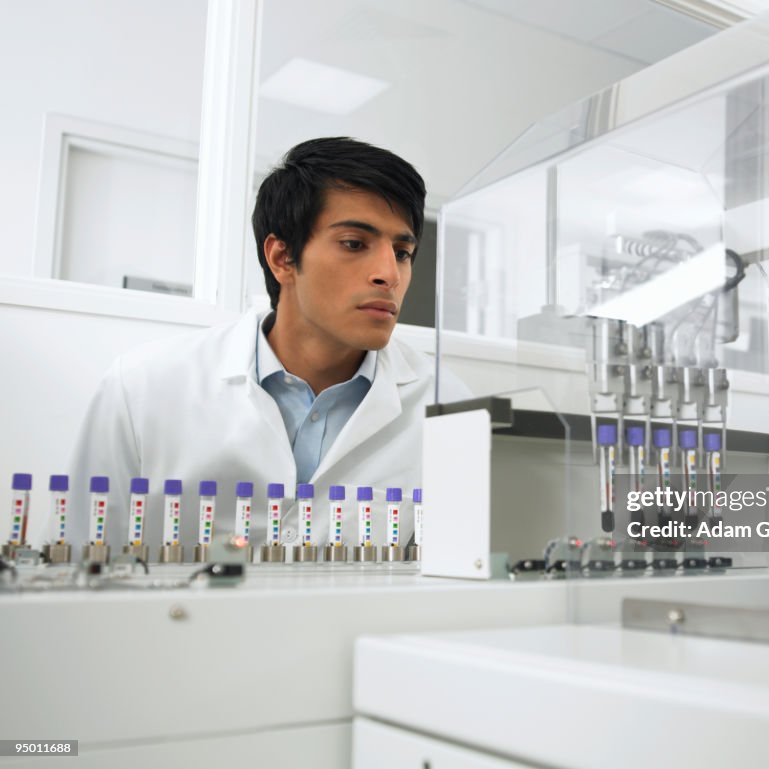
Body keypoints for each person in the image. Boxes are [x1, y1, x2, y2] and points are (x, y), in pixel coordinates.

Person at [67, 137, 468, 554]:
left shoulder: (448, 406)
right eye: (354, 244)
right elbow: (75, 566)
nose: (390, 274)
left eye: (402, 252)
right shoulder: (141, 389)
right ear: (282, 257)